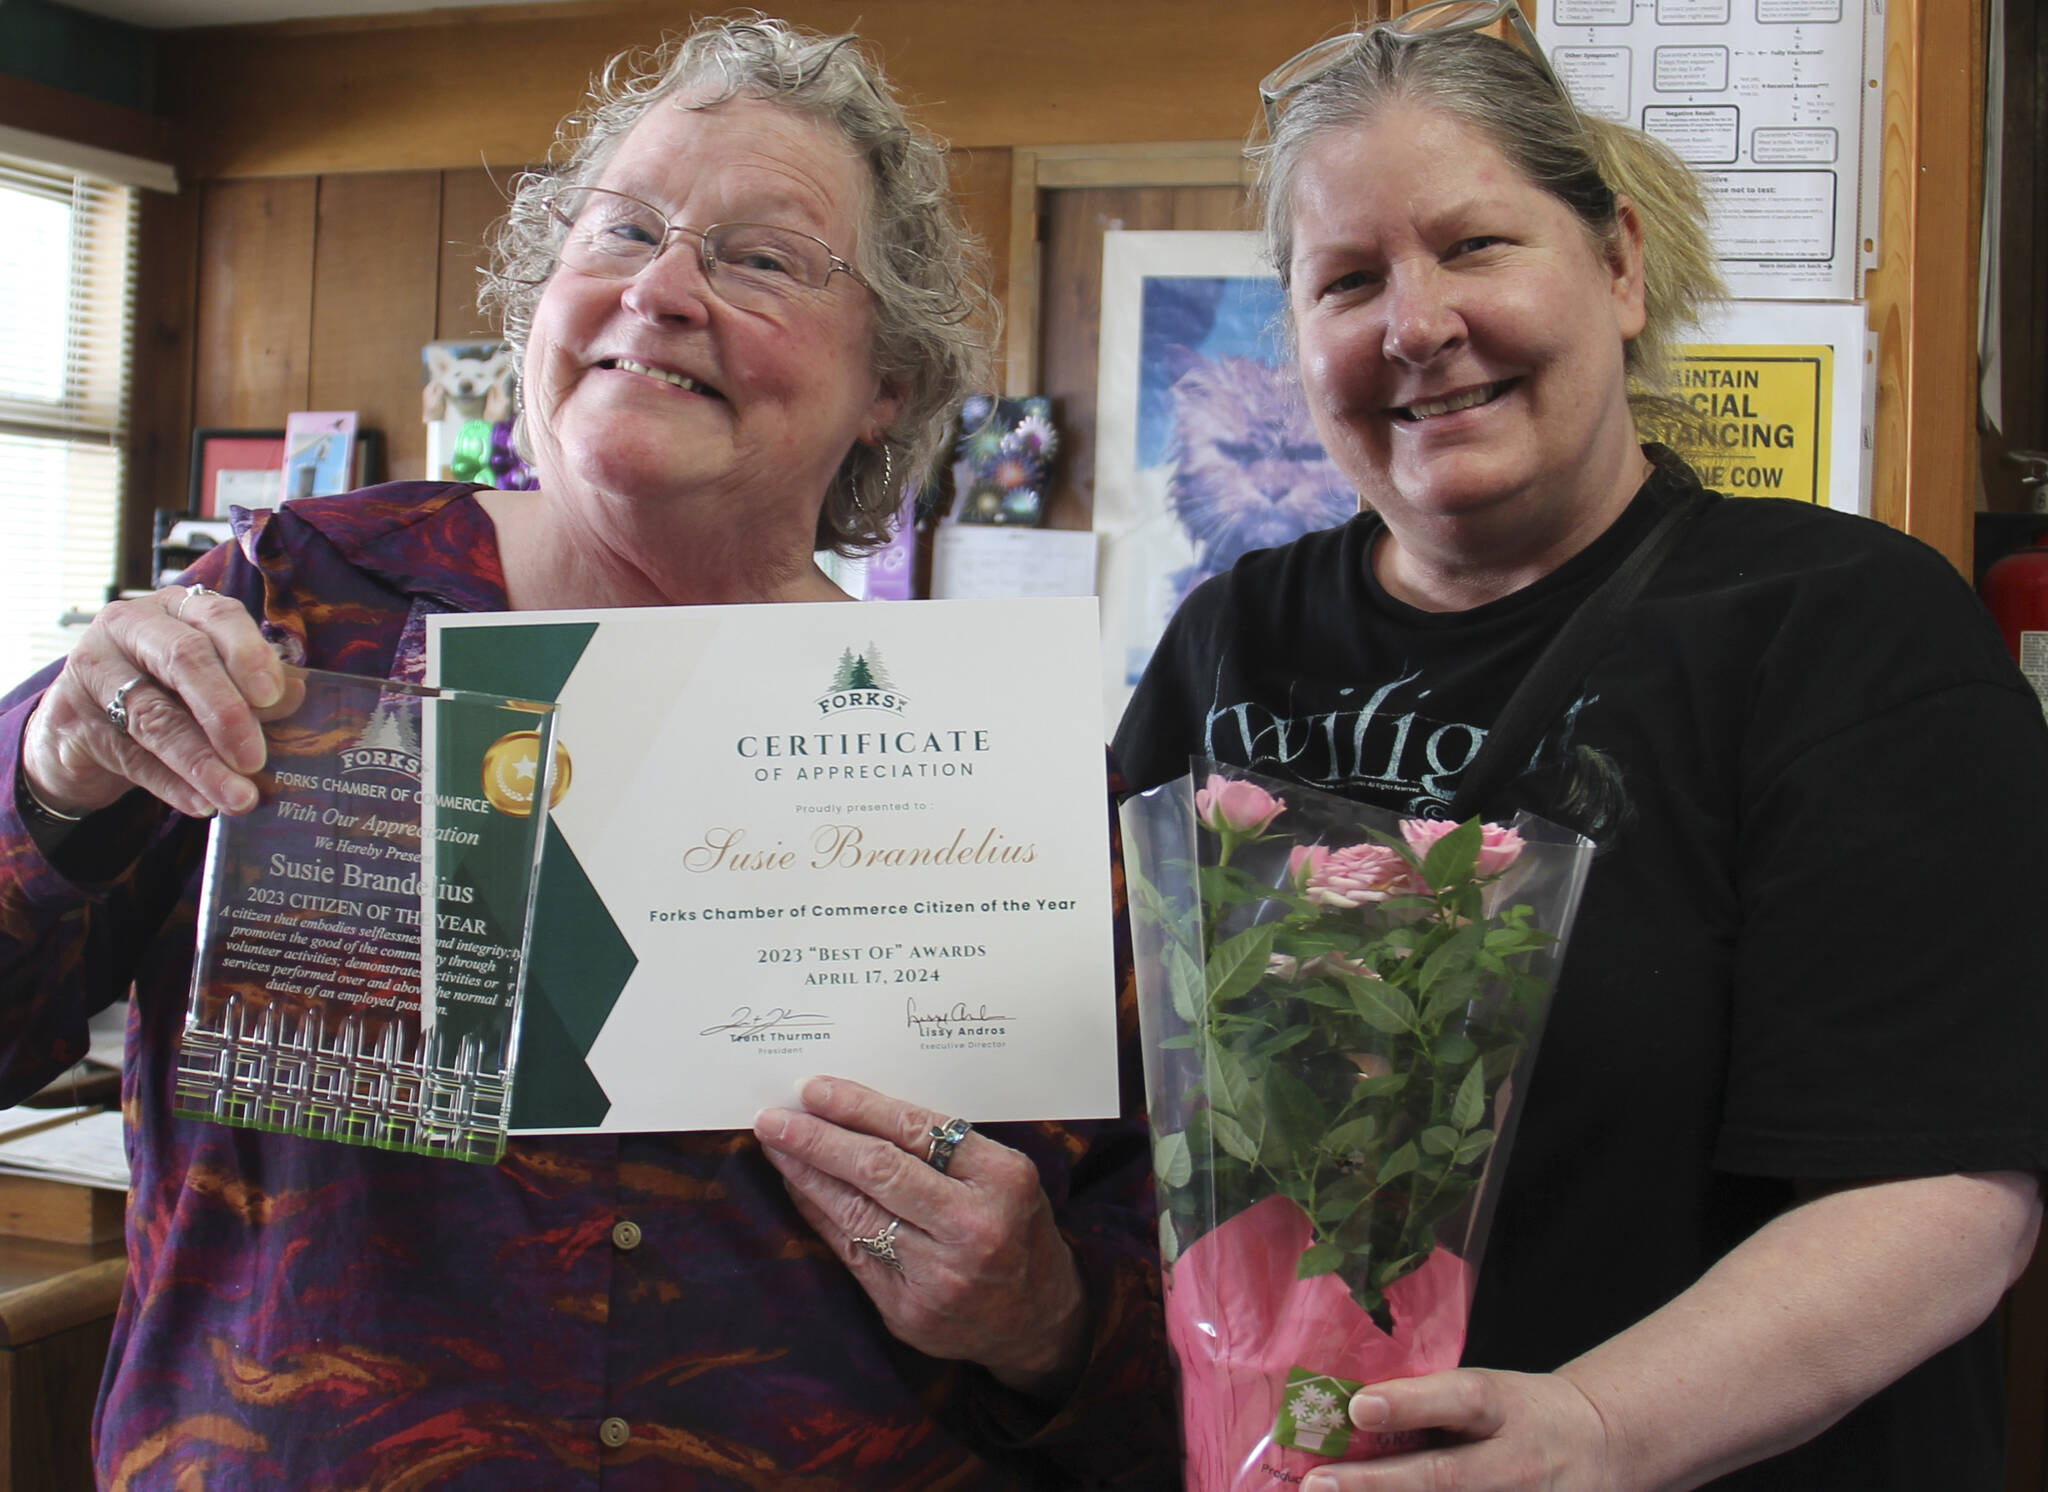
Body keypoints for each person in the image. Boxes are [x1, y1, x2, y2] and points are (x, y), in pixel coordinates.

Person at [0, 17, 1173, 1489]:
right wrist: (54, 775)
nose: (662, 287)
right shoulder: (295, 613)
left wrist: (1047, 1316)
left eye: (758, 257)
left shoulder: (987, 757)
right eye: (620, 229)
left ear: (890, 378)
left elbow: (1190, 1326)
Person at [1112, 7, 2048, 1489]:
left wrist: (1599, 1434)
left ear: (1616, 264)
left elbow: (1944, 1190)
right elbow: (1120, 1126)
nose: (1415, 324)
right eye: (1347, 278)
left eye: (1474, 246)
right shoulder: (1228, 641)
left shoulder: (1842, 631)